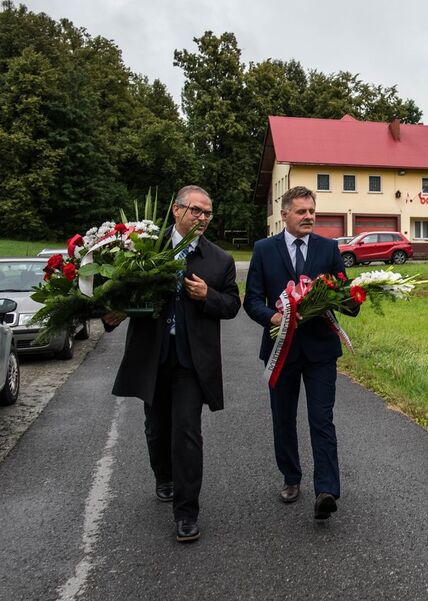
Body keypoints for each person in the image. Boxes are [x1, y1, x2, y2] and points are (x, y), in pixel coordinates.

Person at [103, 185, 240, 543]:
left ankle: (186, 513)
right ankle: (163, 476)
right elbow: (115, 292)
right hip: (153, 355)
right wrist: (111, 314)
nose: (202, 217)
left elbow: (232, 306)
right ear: (176, 210)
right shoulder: (143, 247)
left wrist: (208, 296)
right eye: (196, 210)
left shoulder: (219, 261)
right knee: (156, 429)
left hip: (192, 362)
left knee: (187, 434)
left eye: (208, 212)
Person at [243, 185, 358, 519]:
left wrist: (356, 298)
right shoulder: (264, 250)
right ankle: (291, 477)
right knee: (283, 418)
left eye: (312, 210)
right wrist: (273, 316)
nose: (309, 216)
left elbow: (343, 291)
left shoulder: (327, 248)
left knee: (321, 418)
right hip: (281, 350)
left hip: (320, 350)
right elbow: (251, 300)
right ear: (284, 215)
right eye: (301, 211)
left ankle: (326, 489)